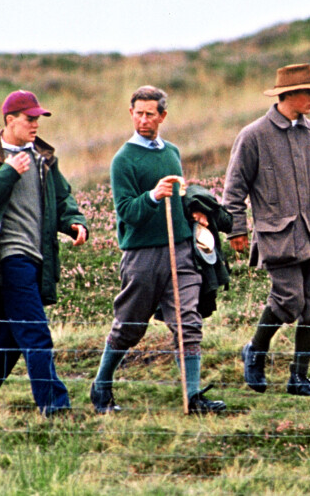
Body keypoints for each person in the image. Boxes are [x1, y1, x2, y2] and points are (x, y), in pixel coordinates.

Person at [90, 85, 226, 415]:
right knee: (128, 327)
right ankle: (101, 386)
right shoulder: (123, 161)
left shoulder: (172, 153)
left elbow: (178, 197)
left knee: (188, 324)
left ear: (162, 116)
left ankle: (192, 398)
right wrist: (152, 195)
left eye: (150, 114)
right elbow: (127, 213)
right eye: (138, 113)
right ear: (131, 114)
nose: (143, 119)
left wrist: (191, 208)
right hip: (141, 255)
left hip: (180, 250)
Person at [222, 63, 310, 397]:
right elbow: (234, 189)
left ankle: (299, 378)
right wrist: (237, 229)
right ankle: (255, 350)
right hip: (276, 236)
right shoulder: (253, 136)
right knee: (289, 299)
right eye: (309, 92)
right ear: (288, 95)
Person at [0, 89, 89, 416]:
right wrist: (7, 173)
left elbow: (62, 200)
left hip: (36, 259)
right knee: (35, 333)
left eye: (38, 119)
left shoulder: (44, 158)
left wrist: (75, 223)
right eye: (30, 119)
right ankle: (54, 406)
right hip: (7, 259)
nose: (35, 125)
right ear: (9, 120)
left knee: (11, 339)